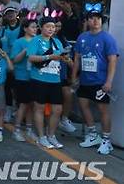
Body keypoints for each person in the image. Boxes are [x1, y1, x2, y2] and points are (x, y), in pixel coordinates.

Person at [73, 10, 119, 155]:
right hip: (85, 80)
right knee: (83, 105)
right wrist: (74, 76)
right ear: (87, 21)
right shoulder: (82, 37)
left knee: (103, 109)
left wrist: (109, 81)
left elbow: (113, 60)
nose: (96, 21)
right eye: (92, 18)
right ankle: (93, 134)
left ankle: (106, 140)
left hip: (100, 81)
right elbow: (77, 58)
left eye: (98, 18)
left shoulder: (107, 38)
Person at [27, 16, 68, 149]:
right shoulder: (35, 40)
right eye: (48, 26)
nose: (51, 29)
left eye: (53, 27)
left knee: (57, 109)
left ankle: (51, 135)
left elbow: (62, 56)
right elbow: (31, 57)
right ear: (41, 27)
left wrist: (66, 59)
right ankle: (41, 136)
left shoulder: (57, 42)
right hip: (39, 79)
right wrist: (49, 56)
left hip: (55, 80)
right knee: (39, 107)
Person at [10, 18, 38, 142]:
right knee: (23, 104)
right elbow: (14, 60)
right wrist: (25, 50)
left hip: (36, 77)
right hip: (22, 77)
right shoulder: (19, 42)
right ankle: (16, 130)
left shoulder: (38, 41)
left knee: (32, 104)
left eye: (36, 27)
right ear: (25, 28)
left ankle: (29, 129)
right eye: (32, 27)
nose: (35, 29)